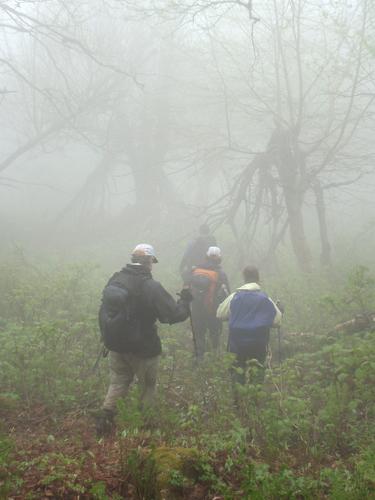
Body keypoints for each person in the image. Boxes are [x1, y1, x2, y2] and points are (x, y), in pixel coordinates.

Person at [96, 243, 192, 437]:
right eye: (152, 262)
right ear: (149, 262)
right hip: (143, 348)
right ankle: (144, 430)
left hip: (115, 345)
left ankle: (105, 422)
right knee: (147, 387)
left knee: (118, 383)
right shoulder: (151, 286)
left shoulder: (116, 278)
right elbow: (172, 316)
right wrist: (185, 301)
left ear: (133, 260)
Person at [216, 265, 282, 384]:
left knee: (237, 371)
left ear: (244, 278)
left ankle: (238, 398)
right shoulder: (265, 298)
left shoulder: (234, 296)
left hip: (237, 343)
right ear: (258, 278)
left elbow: (220, 314)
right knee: (257, 371)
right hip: (259, 343)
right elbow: (277, 321)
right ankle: (254, 398)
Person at [188, 246, 230, 359]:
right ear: (219, 258)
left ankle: (198, 360)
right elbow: (227, 295)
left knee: (199, 335)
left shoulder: (195, 270)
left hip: (196, 310)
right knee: (214, 334)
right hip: (213, 310)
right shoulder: (221, 274)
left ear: (206, 256)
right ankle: (214, 359)